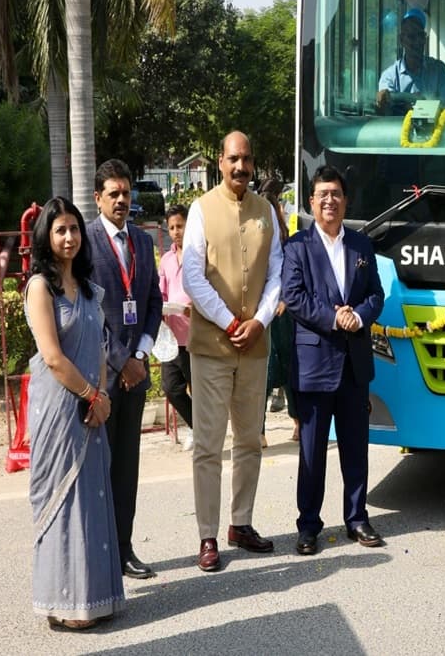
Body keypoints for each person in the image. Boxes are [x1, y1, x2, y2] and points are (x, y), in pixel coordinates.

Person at [182, 131, 283, 572]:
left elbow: (277, 272)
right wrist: (229, 322)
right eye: (233, 159)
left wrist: (259, 320)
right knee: (208, 445)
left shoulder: (267, 212)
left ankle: (240, 523)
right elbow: (192, 275)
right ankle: (207, 534)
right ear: (220, 162)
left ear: (252, 162)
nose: (240, 167)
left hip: (255, 344)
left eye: (246, 159)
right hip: (212, 347)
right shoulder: (201, 209)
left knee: (249, 441)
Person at [24, 197, 124, 630]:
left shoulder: (87, 288)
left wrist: (100, 395)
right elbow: (50, 355)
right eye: (60, 229)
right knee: (63, 503)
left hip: (90, 406)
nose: (69, 237)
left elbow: (99, 347)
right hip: (58, 410)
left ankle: (94, 598)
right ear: (47, 236)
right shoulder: (39, 288)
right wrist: (90, 395)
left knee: (91, 499)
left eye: (74, 229)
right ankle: (61, 602)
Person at [282, 166, 386, 555]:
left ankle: (357, 518)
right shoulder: (297, 247)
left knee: (356, 447)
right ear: (311, 202)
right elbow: (294, 297)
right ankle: (308, 525)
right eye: (322, 194)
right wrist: (334, 316)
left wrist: (358, 315)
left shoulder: (361, 246)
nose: (329, 200)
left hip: (354, 364)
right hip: (314, 366)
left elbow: (376, 294)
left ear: (345, 201)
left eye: (336, 194)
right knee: (311, 453)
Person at [87, 158, 162, 581]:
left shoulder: (143, 241)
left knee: (127, 469)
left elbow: (153, 299)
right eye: (112, 193)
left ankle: (124, 549)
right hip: (100, 378)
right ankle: (100, 556)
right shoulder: (87, 242)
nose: (120, 200)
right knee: (100, 467)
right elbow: (90, 312)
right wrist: (120, 361)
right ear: (98, 198)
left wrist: (142, 353)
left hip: (136, 373)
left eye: (125, 193)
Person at [260, 179, 300, 444]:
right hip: (261, 314)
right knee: (261, 372)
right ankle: (258, 429)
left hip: (285, 315)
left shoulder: (288, 245)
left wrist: (285, 300)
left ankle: (298, 422)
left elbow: (293, 276)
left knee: (290, 369)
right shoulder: (255, 246)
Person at [376, 8, 445, 115]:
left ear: (425, 39)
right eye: (411, 36)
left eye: (421, 36)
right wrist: (383, 101)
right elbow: (385, 116)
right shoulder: (389, 77)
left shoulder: (439, 70)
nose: (417, 41)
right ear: (401, 40)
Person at [158, 203, 193, 450]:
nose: (176, 231)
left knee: (200, 390)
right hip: (172, 335)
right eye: (171, 227)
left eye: (180, 226)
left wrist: (195, 306)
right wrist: (161, 308)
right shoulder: (167, 260)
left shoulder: (199, 255)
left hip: (195, 336)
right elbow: (161, 291)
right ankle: (197, 426)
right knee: (171, 387)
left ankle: (205, 433)